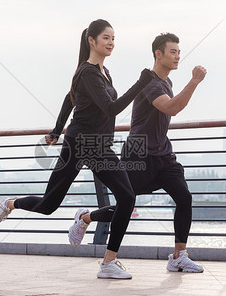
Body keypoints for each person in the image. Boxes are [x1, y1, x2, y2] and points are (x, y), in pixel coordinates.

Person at [0, 19, 153, 279]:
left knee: (127, 197)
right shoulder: (87, 72)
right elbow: (111, 108)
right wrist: (141, 83)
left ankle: (107, 260)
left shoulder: (103, 72)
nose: (111, 43)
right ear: (92, 41)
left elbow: (69, 98)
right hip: (80, 144)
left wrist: (55, 130)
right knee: (48, 204)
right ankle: (9, 204)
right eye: (106, 38)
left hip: (99, 145)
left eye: (113, 38)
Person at [68, 32, 207, 273]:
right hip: (139, 154)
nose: (177, 56)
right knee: (126, 204)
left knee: (184, 197)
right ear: (158, 54)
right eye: (172, 52)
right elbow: (172, 108)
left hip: (163, 155)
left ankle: (178, 256)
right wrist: (194, 81)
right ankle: (85, 219)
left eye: (179, 52)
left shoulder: (167, 83)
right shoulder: (151, 83)